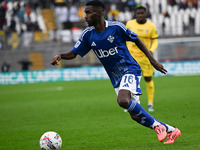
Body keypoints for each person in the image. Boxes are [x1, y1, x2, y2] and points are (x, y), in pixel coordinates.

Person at [51, 0, 181, 144]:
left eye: (88, 12)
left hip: (130, 69)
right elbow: (74, 53)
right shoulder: (87, 34)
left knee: (122, 100)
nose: (85, 16)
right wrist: (61, 55)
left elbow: (136, 39)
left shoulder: (116, 27)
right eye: (85, 13)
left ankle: (158, 126)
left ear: (99, 13)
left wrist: (152, 60)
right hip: (116, 77)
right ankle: (171, 130)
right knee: (135, 116)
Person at [126, 6, 158, 112]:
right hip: (132, 58)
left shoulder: (151, 26)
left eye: (142, 13)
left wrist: (151, 50)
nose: (140, 15)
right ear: (136, 14)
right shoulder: (130, 24)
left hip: (145, 58)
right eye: (138, 13)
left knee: (148, 79)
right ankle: (130, 103)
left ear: (145, 13)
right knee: (130, 80)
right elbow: (124, 39)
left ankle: (150, 103)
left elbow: (155, 41)